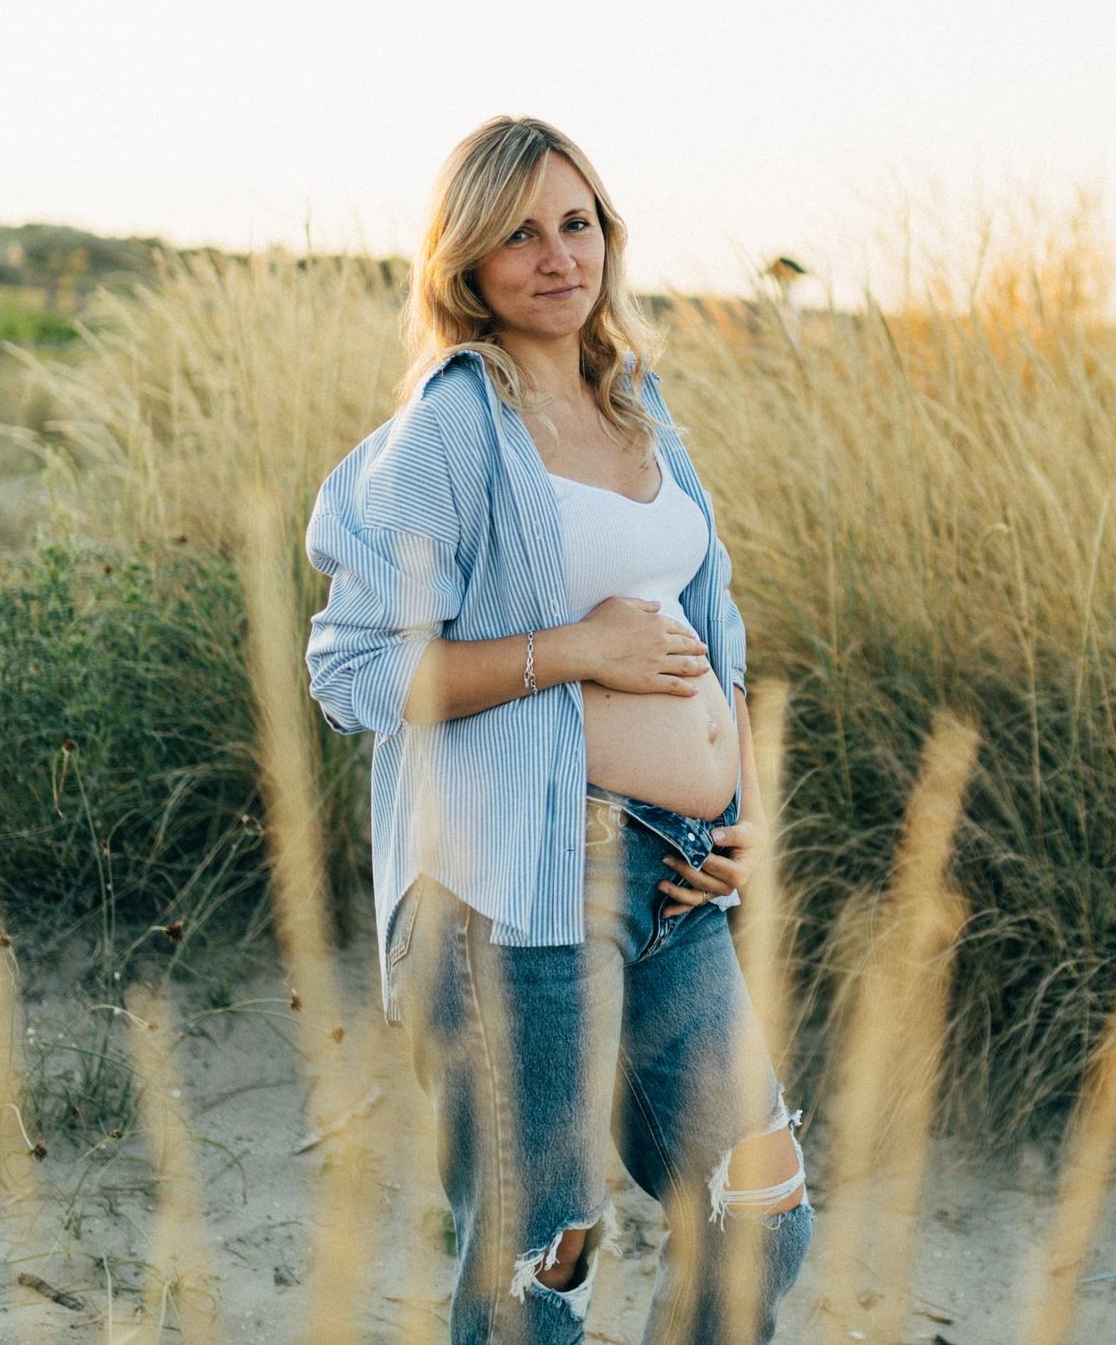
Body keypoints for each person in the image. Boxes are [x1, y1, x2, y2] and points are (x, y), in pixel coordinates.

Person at [306, 116, 812, 1344]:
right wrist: (571, 651)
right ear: (466, 262)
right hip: (520, 888)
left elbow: (716, 628)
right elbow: (357, 668)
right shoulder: (451, 427)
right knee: (545, 1255)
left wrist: (743, 817)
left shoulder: (635, 400)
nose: (555, 256)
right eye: (517, 233)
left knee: (761, 1207)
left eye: (575, 223)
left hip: (679, 877)